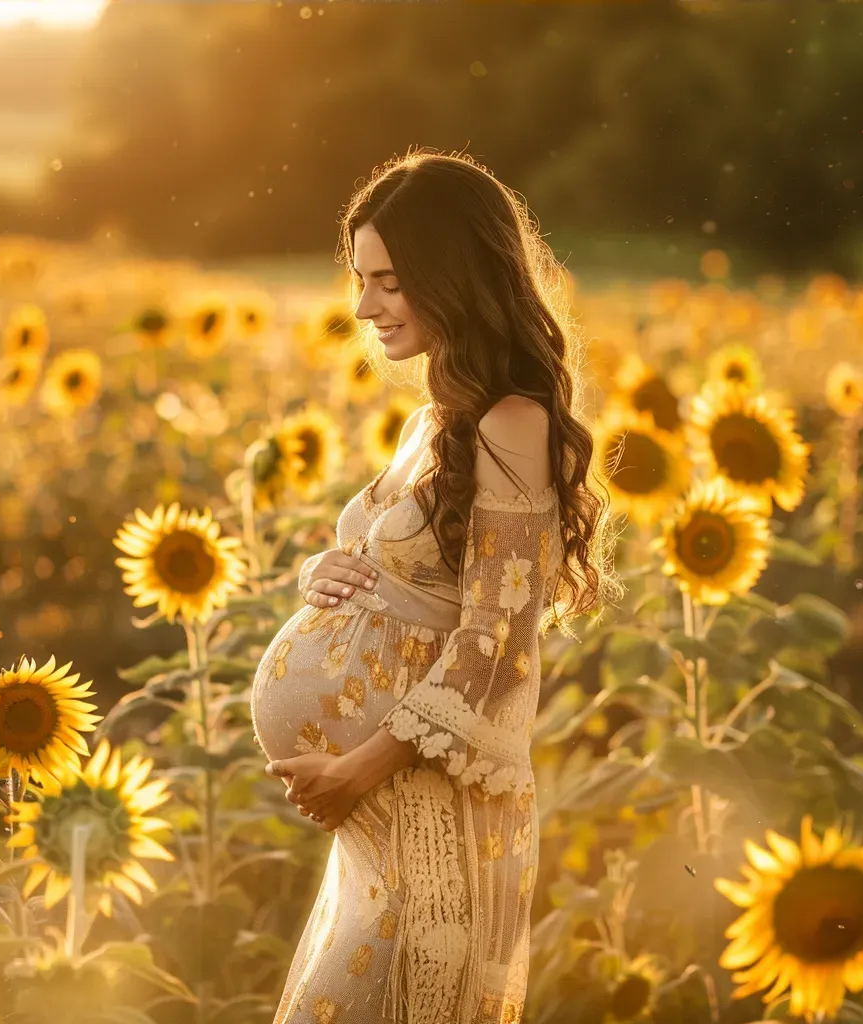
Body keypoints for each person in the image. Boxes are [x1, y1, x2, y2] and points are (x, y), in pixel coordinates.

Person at [250, 149, 622, 1024]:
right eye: (358, 278)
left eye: (387, 280)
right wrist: (324, 573)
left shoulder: (514, 423)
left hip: (430, 821)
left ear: (452, 276)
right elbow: (405, 571)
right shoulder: (433, 424)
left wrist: (354, 767)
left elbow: (495, 643)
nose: (362, 305)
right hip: (378, 823)